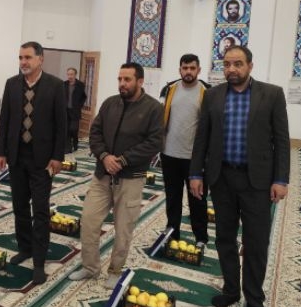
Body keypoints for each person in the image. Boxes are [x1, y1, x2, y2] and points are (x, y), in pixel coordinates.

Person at [189, 45, 289, 307]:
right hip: (222, 178)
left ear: (250, 66)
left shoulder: (272, 94)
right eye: (227, 64)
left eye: (237, 64)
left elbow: (282, 140)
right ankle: (231, 290)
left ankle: (254, 299)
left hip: (257, 181)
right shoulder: (213, 95)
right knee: (224, 237)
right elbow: (202, 137)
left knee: (256, 241)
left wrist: (281, 179)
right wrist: (195, 173)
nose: (231, 69)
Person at [69, 62, 163, 289]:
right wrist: (104, 157)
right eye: (120, 79)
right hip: (102, 176)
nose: (122, 83)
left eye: (127, 79)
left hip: (130, 179)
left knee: (123, 229)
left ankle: (115, 270)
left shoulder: (153, 108)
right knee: (89, 221)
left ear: (140, 81)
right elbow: (95, 132)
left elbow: (154, 142)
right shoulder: (110, 103)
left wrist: (122, 160)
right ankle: (90, 267)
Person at [0, 41, 66, 285]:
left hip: (42, 160)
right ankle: (25, 248)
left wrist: (57, 156)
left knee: (40, 210)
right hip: (17, 157)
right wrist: (1, 151)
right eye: (20, 57)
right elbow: (4, 120)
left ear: (40, 59)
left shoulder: (55, 86)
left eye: (27, 57)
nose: (23, 62)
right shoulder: (12, 84)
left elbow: (61, 124)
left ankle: (39, 261)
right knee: (19, 206)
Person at [159, 54, 210, 248]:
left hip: (194, 159)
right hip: (169, 154)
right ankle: (172, 233)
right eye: (185, 68)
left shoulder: (207, 92)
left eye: (192, 68)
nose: (188, 71)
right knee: (172, 197)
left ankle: (201, 237)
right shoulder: (169, 89)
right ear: (180, 69)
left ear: (199, 70)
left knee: (197, 198)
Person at [63, 67, 87, 152]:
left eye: (71, 74)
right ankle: (68, 148)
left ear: (75, 75)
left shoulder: (80, 85)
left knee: (73, 129)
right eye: (68, 74)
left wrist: (79, 105)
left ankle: (75, 144)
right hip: (66, 111)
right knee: (66, 130)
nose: (70, 76)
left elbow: (84, 97)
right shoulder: (64, 84)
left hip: (75, 111)